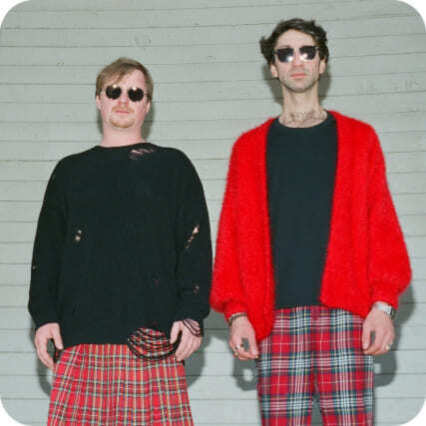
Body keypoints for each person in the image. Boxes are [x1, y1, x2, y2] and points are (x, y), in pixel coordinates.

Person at [210, 18, 411, 425]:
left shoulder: (360, 139)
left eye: (308, 52)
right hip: (274, 321)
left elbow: (382, 226)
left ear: (322, 63)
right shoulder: (248, 149)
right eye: (285, 54)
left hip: (347, 317)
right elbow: (231, 237)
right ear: (273, 68)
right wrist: (237, 312)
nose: (297, 61)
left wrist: (383, 306)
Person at [28, 57, 212, 425]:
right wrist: (44, 316)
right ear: (99, 100)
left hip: (153, 340)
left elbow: (195, 247)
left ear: (147, 104)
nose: (123, 99)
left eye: (135, 93)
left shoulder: (174, 167)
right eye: (114, 91)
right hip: (80, 340)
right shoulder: (69, 171)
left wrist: (192, 314)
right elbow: (47, 252)